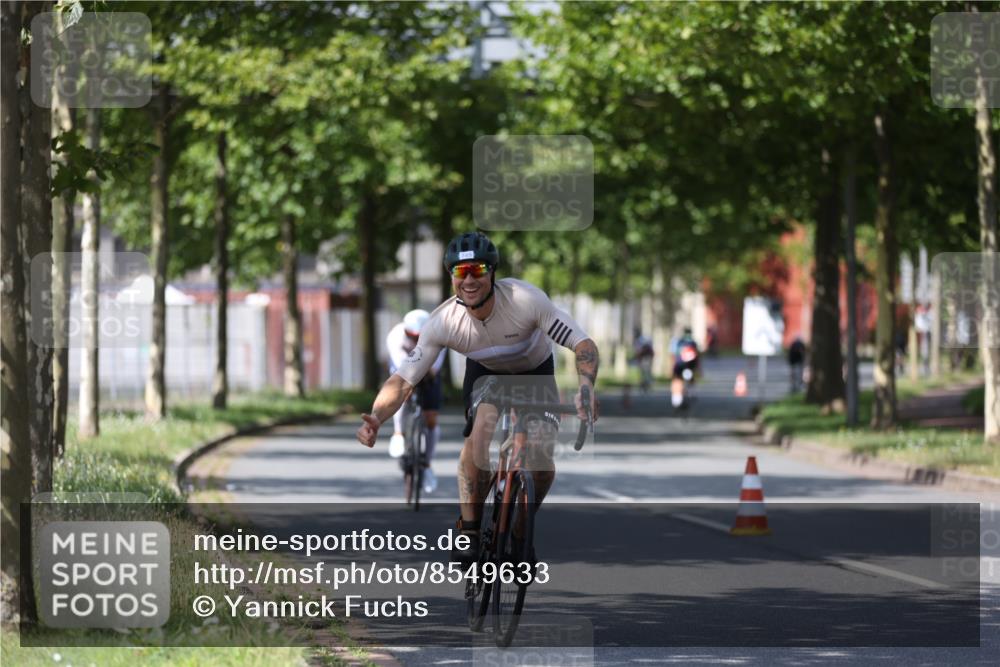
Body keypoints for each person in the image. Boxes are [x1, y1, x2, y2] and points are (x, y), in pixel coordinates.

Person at [356, 231, 600, 564]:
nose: (469, 279)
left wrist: (586, 385)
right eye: (460, 271)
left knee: (541, 463)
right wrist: (377, 417)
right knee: (480, 432)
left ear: (492, 272)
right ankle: (469, 529)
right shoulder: (444, 322)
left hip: (534, 371)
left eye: (477, 269)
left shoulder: (525, 301)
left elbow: (582, 344)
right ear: (451, 276)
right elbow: (403, 380)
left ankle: (520, 532)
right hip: (486, 375)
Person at [386, 309, 446, 494]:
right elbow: (402, 367)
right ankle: (398, 432)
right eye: (411, 336)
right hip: (402, 368)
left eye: (419, 337)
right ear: (405, 331)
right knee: (400, 393)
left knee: (431, 419)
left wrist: (425, 371)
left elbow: (434, 368)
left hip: (429, 372)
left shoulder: (439, 338)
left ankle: (426, 465)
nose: (414, 340)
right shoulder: (395, 336)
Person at [669, 327, 699, 408]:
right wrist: (698, 367)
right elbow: (697, 356)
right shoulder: (693, 343)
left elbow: (673, 355)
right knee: (689, 379)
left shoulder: (678, 342)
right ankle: (690, 394)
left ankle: (676, 400)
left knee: (677, 380)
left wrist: (672, 366)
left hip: (679, 364)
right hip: (689, 365)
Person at [632, 328, 654, 393]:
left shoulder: (638, 340)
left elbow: (638, 351)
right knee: (646, 373)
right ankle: (646, 385)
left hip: (643, 358)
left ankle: (644, 385)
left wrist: (637, 358)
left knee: (643, 373)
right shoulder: (645, 339)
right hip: (647, 358)